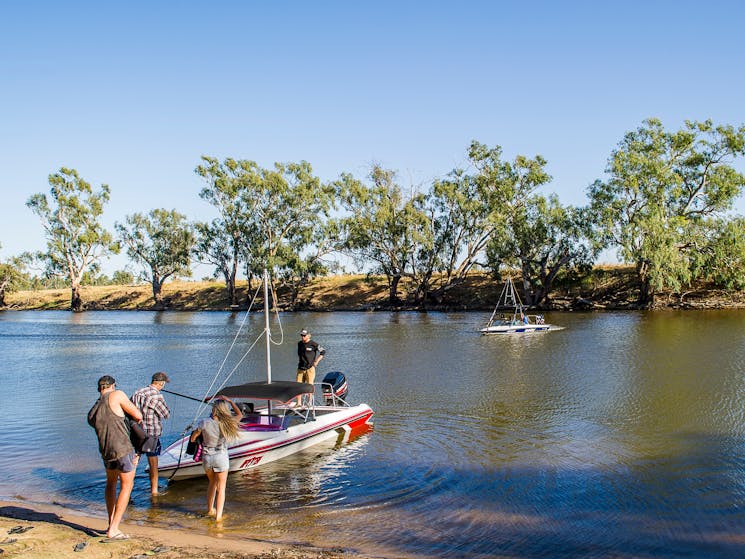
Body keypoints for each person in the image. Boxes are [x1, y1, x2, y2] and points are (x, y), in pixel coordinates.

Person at [87, 375, 143, 540]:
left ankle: (111, 523)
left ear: (100, 389)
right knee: (127, 485)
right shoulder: (117, 395)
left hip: (106, 451)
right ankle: (114, 529)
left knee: (110, 484)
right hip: (123, 448)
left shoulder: (95, 407)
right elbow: (138, 415)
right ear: (113, 385)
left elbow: (91, 421)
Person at [189, 396, 243, 521]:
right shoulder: (227, 423)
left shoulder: (204, 423)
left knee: (212, 484)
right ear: (224, 410)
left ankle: (209, 510)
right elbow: (240, 414)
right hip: (221, 457)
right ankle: (218, 517)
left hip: (207, 457)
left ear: (213, 409)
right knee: (221, 488)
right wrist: (230, 401)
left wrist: (198, 435)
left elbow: (192, 439)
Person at [131, 371, 171, 496]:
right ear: (161, 383)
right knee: (153, 463)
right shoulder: (157, 396)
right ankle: (154, 491)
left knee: (134, 462)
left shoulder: (138, 392)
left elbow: (129, 409)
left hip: (137, 432)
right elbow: (166, 414)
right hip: (151, 434)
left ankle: (128, 490)